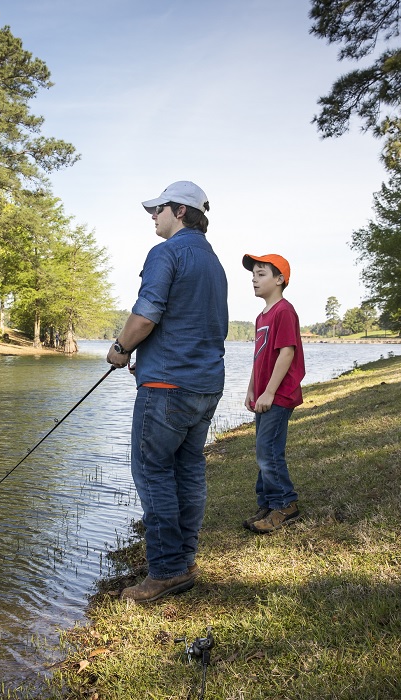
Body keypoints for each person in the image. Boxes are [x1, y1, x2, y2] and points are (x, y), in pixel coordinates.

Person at [105, 181, 228, 603]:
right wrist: (153, 355)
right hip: (205, 385)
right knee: (189, 470)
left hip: (166, 388)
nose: (152, 217)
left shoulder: (166, 253)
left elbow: (146, 315)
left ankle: (167, 571)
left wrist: (121, 349)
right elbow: (193, 324)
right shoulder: (214, 262)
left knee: (154, 472)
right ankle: (184, 560)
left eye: (157, 210)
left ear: (179, 211)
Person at [240, 253, 306, 534]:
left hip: (279, 395)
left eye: (261, 273)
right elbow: (260, 356)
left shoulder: (284, 311)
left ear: (280, 280)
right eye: (253, 274)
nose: (254, 278)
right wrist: (252, 389)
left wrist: (269, 392)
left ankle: (285, 504)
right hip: (265, 394)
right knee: (262, 449)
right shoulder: (261, 316)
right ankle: (267, 503)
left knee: (269, 451)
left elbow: (286, 353)